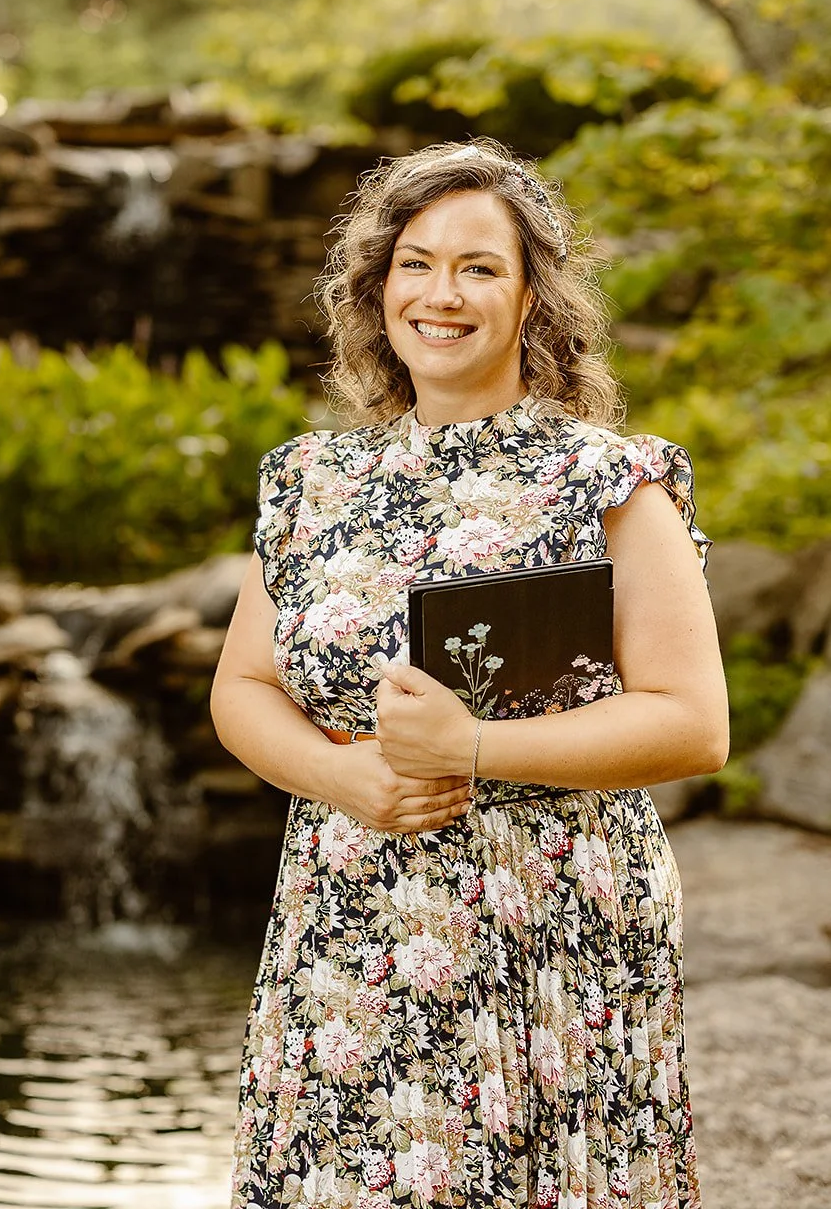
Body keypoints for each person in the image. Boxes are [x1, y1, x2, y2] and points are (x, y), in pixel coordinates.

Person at [211, 138, 728, 1209]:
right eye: (414, 263)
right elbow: (243, 688)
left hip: (553, 923)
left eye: (477, 267)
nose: (439, 294)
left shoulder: (609, 481)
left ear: (530, 294)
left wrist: (476, 749)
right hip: (352, 917)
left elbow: (691, 723)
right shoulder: (312, 480)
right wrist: (335, 776)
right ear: (375, 286)